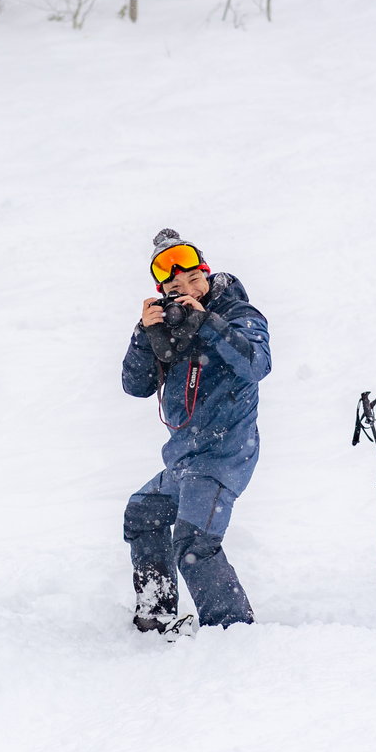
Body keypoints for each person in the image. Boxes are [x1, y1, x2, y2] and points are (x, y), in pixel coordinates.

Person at [120, 228, 271, 635]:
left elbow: (257, 363)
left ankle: (233, 635)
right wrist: (144, 336)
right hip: (185, 459)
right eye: (175, 285)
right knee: (142, 513)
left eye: (194, 280)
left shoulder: (240, 316)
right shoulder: (171, 326)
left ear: (206, 274)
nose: (188, 290)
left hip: (224, 456)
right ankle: (157, 613)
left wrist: (209, 323)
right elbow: (135, 386)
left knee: (194, 547)